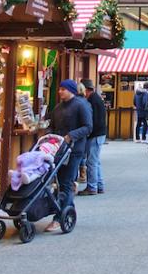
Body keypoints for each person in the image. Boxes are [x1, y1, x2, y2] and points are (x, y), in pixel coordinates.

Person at [46, 79, 92, 233]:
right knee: (61, 181)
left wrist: (71, 135)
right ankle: (68, 210)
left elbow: (88, 127)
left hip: (75, 149)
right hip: (59, 149)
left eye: (63, 89)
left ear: (71, 90)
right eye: (59, 89)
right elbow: (52, 125)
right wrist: (49, 137)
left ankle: (60, 218)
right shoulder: (58, 108)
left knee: (66, 182)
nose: (60, 92)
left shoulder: (81, 105)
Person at [78, 79, 107, 196]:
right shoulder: (96, 98)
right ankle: (99, 185)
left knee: (92, 162)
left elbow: (93, 120)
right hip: (100, 133)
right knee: (96, 161)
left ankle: (92, 187)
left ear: (86, 90)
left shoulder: (92, 100)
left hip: (95, 134)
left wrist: (88, 132)